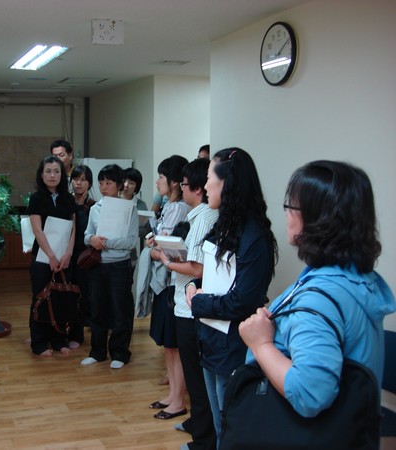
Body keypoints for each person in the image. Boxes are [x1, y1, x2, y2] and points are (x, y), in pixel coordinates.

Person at [239, 161, 395, 418]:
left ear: (316, 219)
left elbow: (309, 395)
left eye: (291, 206)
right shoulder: (358, 279)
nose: (286, 214)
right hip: (355, 429)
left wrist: (261, 344)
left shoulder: (319, 300)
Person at [186, 147, 277, 445]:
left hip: (233, 348)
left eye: (209, 177)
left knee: (232, 428)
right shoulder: (223, 226)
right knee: (219, 425)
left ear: (227, 183)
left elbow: (243, 300)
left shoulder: (255, 237)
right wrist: (193, 286)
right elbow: (213, 278)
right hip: (210, 340)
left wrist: (199, 302)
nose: (205, 185)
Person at [156, 159, 217, 449]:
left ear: (197, 188)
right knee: (196, 376)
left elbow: (197, 267)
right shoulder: (200, 215)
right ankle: (197, 424)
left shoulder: (204, 218)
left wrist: (167, 260)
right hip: (187, 300)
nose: (180, 188)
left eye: (183, 184)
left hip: (190, 303)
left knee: (197, 376)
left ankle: (203, 437)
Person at [81, 164, 139, 369]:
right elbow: (87, 235)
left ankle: (120, 353)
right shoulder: (95, 209)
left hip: (119, 265)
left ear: (119, 184)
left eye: (109, 183)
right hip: (97, 265)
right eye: (101, 183)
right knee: (97, 309)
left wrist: (106, 242)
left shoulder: (129, 209)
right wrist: (92, 240)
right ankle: (97, 352)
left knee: (121, 310)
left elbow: (131, 241)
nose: (104, 187)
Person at [147, 155, 190, 420]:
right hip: (167, 281)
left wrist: (154, 247)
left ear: (174, 181)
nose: (158, 181)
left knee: (174, 344)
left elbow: (163, 249)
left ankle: (177, 400)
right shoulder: (170, 207)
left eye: (162, 177)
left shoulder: (178, 208)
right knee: (169, 345)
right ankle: (173, 395)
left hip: (173, 282)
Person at [28, 155, 76, 357]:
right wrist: (51, 256)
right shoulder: (36, 198)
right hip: (43, 257)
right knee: (40, 297)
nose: (52, 175)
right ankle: (39, 342)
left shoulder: (68, 198)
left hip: (64, 257)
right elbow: (37, 231)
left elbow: (73, 228)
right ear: (41, 174)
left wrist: (68, 253)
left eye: (56, 171)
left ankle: (59, 339)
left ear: (62, 174)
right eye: (48, 171)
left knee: (60, 298)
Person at [67, 165, 95, 347]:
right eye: (76, 179)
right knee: (66, 294)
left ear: (89, 183)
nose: (79, 183)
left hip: (85, 256)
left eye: (83, 179)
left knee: (82, 295)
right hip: (66, 254)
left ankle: (77, 334)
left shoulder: (93, 206)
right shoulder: (66, 202)